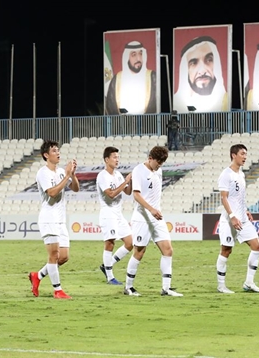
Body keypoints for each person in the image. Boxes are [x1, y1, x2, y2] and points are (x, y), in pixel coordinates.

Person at [123, 146, 182, 297]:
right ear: (150, 158)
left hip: (157, 217)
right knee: (139, 252)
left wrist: (155, 210)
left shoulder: (158, 170)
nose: (160, 165)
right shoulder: (139, 171)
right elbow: (136, 195)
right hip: (143, 217)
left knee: (168, 250)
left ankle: (166, 288)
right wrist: (151, 209)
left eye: (162, 162)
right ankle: (128, 287)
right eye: (158, 162)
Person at [28, 139, 79, 299]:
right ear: (46, 155)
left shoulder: (61, 172)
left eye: (58, 150)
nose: (58, 153)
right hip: (48, 218)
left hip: (60, 219)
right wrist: (67, 176)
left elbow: (76, 188)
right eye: (54, 151)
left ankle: (37, 276)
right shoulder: (43, 173)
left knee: (63, 257)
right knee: (54, 255)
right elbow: (51, 192)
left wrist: (72, 175)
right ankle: (58, 290)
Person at [215, 144, 259, 294]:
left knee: (257, 247)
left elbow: (239, 198)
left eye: (246, 154)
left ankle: (249, 282)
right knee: (226, 250)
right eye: (242, 154)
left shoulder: (241, 174)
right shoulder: (226, 174)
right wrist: (232, 216)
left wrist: (245, 210)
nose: (245, 157)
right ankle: (221, 286)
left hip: (242, 219)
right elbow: (224, 198)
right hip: (229, 220)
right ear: (233, 155)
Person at [96, 146, 133, 285]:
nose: (117, 160)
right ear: (107, 159)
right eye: (114, 157)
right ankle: (110, 277)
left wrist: (130, 181)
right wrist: (125, 182)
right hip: (108, 213)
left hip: (118, 214)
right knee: (110, 243)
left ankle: (107, 265)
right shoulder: (102, 176)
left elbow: (127, 192)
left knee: (130, 243)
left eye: (118, 157)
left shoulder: (117, 175)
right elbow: (110, 194)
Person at [173, 36, 229, 113]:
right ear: (186, 70)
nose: (202, 71)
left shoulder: (228, 102)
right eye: (193, 63)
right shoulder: (175, 105)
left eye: (209, 60)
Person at [105, 41, 157, 115]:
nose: (138, 59)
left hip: (148, 124)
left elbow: (155, 103)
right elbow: (111, 106)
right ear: (127, 58)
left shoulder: (152, 77)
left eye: (140, 54)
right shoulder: (117, 79)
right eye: (133, 55)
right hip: (123, 124)